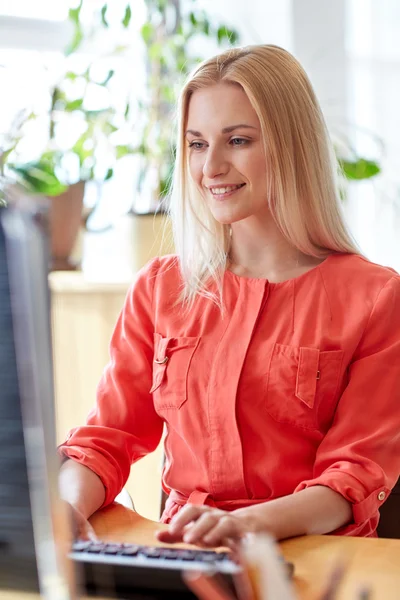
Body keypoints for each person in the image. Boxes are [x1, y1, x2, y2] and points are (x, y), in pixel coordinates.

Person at [59, 44, 400, 547]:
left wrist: (247, 525)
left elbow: (352, 478)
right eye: (196, 144)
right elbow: (105, 441)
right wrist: (64, 508)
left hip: (311, 562)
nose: (211, 166)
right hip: (184, 557)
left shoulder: (376, 297)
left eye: (237, 140)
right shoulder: (159, 288)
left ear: (291, 146)